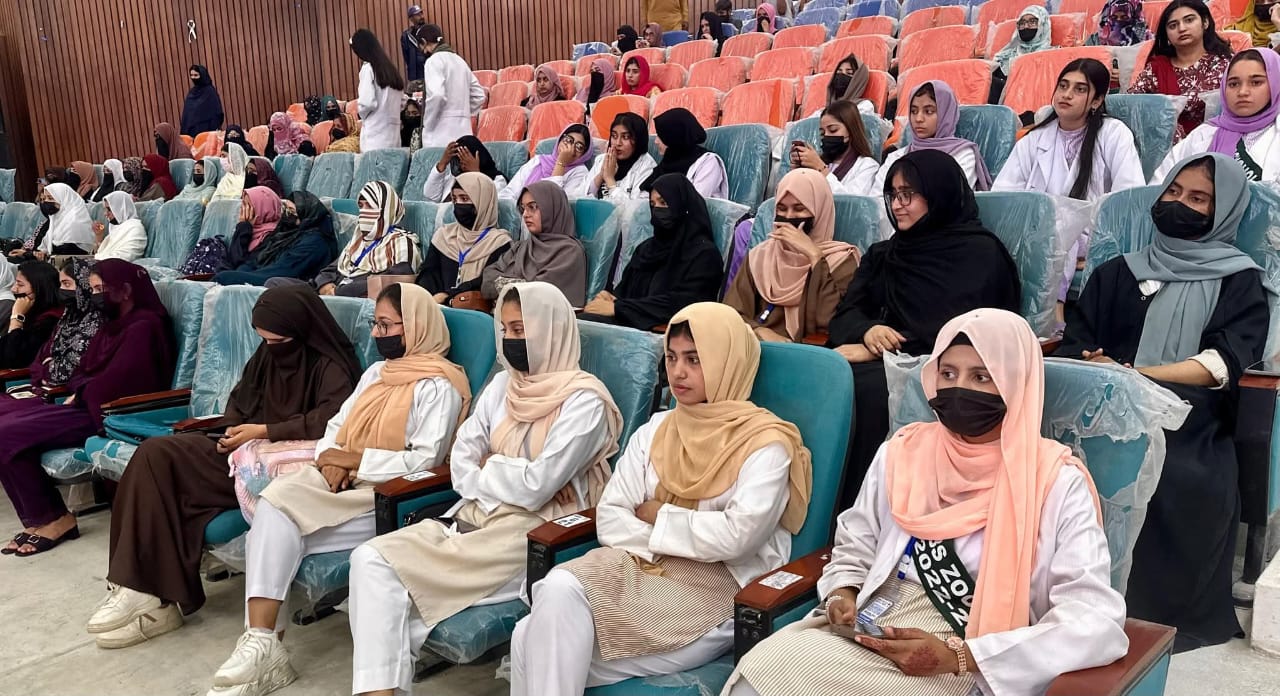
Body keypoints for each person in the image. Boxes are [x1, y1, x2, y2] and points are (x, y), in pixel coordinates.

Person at [727, 308, 1127, 696]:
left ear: (1015, 383)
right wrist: (842, 591)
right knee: (758, 674)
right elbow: (856, 542)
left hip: (969, 652)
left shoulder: (1055, 481)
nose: (958, 389)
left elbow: (1093, 619)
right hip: (871, 622)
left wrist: (962, 656)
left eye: (981, 377)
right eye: (948, 373)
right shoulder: (903, 451)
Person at [510, 301, 812, 695]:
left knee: (530, 638)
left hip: (716, 588)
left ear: (727, 363)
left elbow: (737, 539)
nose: (678, 371)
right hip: (638, 566)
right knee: (554, 598)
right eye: (671, 357)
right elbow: (611, 515)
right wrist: (669, 539)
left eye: (694, 359)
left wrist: (658, 515)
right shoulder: (657, 430)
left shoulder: (765, 445)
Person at [347, 281, 621, 696]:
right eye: (505, 330)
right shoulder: (502, 386)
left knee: (390, 601)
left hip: (535, 531)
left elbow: (536, 489)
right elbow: (462, 463)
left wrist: (490, 464)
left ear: (550, 330)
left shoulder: (586, 402)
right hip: (471, 515)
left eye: (520, 330)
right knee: (369, 559)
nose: (510, 341)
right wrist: (508, 473)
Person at [207, 282, 470, 696]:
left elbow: (425, 460)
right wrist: (332, 458)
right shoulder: (376, 374)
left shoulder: (439, 385)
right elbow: (335, 427)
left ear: (417, 326)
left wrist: (354, 462)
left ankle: (264, 650)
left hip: (387, 494)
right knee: (273, 504)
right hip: (336, 478)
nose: (378, 334)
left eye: (387, 326)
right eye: (376, 324)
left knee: (276, 531)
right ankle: (261, 643)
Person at [1058, 153, 1271, 651]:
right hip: (1101, 405)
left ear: (1222, 213)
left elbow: (1223, 363)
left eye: (1198, 199)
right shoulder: (1117, 272)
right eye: (1173, 192)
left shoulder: (1240, 280)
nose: (1179, 204)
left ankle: (1153, 621)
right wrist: (1097, 368)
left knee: (1180, 476)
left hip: (1190, 415)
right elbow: (1076, 343)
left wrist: (1138, 376)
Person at [86, 285, 360, 648]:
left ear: (301, 331)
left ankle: (153, 597)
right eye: (264, 340)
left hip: (288, 472)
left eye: (279, 341)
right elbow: (241, 402)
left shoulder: (332, 365)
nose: (271, 348)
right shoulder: (268, 354)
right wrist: (232, 432)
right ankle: (138, 589)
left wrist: (265, 430)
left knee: (174, 488)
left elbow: (331, 421)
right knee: (155, 455)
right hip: (247, 457)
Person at [829, 150, 1021, 508]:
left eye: (908, 195)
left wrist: (883, 350)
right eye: (893, 195)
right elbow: (844, 316)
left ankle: (864, 509)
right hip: (883, 360)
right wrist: (868, 331)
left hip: (947, 372)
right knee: (829, 376)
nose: (897, 205)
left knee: (867, 392)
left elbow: (973, 334)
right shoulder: (884, 254)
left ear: (938, 193)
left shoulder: (980, 255)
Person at [0, 260, 176, 558]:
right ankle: (37, 520)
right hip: (84, 403)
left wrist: (82, 389)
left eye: (99, 289)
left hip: (110, 413)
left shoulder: (144, 326)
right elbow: (81, 370)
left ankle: (54, 519)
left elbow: (122, 381)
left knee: (7, 434)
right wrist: (80, 386)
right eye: (92, 289)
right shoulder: (113, 323)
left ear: (125, 290)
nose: (94, 296)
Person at [993, 58, 1144, 296]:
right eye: (1063, 86)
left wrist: (1096, 249)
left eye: (1080, 89)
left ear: (1097, 101)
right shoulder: (1034, 139)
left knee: (1064, 238)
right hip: (1037, 238)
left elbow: (1127, 199)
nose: (1067, 94)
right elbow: (1004, 196)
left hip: (1093, 235)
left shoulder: (1114, 134)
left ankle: (1054, 309)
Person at [726, 168, 860, 342]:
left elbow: (831, 322)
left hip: (808, 352)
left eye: (799, 209)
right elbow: (731, 313)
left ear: (819, 211)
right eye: (782, 209)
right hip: (756, 347)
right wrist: (759, 331)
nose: (789, 217)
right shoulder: (760, 256)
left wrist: (815, 256)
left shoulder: (841, 260)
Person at [581, 174, 723, 329]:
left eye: (664, 202)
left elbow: (686, 303)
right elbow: (624, 292)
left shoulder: (705, 255)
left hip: (667, 333)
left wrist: (619, 308)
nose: (657, 210)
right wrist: (610, 298)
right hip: (630, 323)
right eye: (652, 204)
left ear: (682, 206)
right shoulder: (646, 249)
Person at [1153, 48, 1280, 183]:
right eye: (1233, 84)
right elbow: (1162, 182)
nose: (1242, 92)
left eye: (1256, 82)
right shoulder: (1205, 133)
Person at [1132, 0, 1234, 142]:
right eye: (1173, 25)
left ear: (1205, 22)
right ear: (1166, 34)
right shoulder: (1156, 68)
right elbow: (1131, 105)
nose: (1181, 28)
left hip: (1215, 142)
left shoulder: (1225, 64)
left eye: (1189, 20)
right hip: (1165, 147)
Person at [482, 182, 588, 306]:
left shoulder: (569, 252)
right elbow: (487, 278)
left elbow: (537, 293)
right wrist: (520, 284)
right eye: (523, 208)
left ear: (551, 209)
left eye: (532, 207)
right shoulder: (522, 247)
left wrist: (503, 283)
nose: (525, 215)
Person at [877, 81, 992, 193]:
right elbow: (876, 199)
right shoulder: (897, 157)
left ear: (945, 114)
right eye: (914, 111)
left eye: (928, 111)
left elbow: (952, 199)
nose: (918, 119)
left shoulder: (962, 155)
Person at [312, 181, 421, 298]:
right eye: (361, 206)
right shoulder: (359, 241)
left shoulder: (401, 243)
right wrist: (324, 285)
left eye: (370, 206)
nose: (363, 211)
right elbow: (330, 270)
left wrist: (340, 292)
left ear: (386, 210)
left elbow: (394, 283)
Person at [417, 173, 513, 304]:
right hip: (436, 306)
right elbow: (429, 274)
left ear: (482, 202)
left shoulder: (500, 242)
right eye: (455, 199)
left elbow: (487, 281)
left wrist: (448, 296)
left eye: (464, 198)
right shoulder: (444, 235)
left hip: (474, 309)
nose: (458, 205)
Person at [216, 191, 338, 287]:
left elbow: (283, 270)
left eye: (291, 211)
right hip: (268, 275)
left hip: (283, 283)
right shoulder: (286, 233)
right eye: (285, 209)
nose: (287, 214)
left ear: (305, 215)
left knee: (224, 278)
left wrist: (238, 276)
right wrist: (242, 271)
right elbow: (256, 260)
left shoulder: (314, 243)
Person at [416, 23, 486, 148]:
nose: (422, 51)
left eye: (420, 47)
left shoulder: (433, 61)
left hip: (439, 134)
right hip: (464, 132)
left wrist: (428, 124)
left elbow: (437, 95)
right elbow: (479, 96)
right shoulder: (460, 61)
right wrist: (462, 113)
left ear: (424, 42)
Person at [789, 100, 879, 196]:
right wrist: (798, 172)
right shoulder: (820, 163)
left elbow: (852, 201)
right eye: (822, 133)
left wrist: (821, 168)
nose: (827, 136)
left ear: (851, 130)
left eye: (833, 130)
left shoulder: (867, 165)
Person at [641, 108, 728, 199]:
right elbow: (643, 196)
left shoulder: (708, 163)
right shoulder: (667, 163)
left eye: (661, 136)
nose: (656, 141)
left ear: (675, 136)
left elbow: (695, 201)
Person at [500, 124, 597, 200]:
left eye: (579, 147)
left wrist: (561, 162)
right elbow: (510, 192)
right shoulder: (538, 160)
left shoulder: (580, 172)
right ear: (560, 139)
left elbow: (554, 200)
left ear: (584, 154)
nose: (571, 148)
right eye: (568, 140)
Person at [351, 28, 408, 152]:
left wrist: (361, 115)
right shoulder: (391, 70)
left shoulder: (368, 69)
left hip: (375, 139)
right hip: (393, 138)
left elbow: (367, 103)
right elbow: (403, 102)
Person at [580, 113, 657, 201]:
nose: (618, 143)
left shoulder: (647, 167)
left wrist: (610, 181)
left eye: (625, 137)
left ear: (638, 139)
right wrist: (601, 175)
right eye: (614, 136)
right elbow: (580, 197)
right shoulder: (602, 159)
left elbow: (638, 207)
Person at [0, 261, 60, 368]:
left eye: (20, 284)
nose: (13, 289)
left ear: (40, 288)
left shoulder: (50, 320)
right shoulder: (30, 312)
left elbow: (13, 358)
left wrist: (16, 318)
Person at [990, 6, 1053, 102]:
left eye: (1032, 22)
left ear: (1043, 25)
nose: (1026, 26)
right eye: (1022, 23)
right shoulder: (1004, 58)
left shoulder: (1052, 56)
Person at [423, 136, 509, 202]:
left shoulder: (497, 180)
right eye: (458, 160)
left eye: (465, 159)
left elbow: (489, 206)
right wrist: (442, 163)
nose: (462, 166)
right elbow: (430, 195)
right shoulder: (454, 178)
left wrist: (476, 174)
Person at [224, 187, 284, 273]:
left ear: (263, 210)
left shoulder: (273, 237)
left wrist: (243, 228)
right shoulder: (250, 229)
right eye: (243, 205)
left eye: (248, 206)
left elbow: (238, 263)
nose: (243, 210)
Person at [34, 183, 95, 257]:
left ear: (64, 198)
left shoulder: (76, 222)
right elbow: (45, 248)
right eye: (43, 199)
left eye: (50, 198)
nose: (46, 202)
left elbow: (68, 252)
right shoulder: (56, 220)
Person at [93, 192, 148, 262]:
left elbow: (126, 257)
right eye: (105, 209)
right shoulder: (117, 228)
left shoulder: (135, 228)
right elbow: (101, 253)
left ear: (122, 208)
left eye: (109, 209)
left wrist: (95, 259)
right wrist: (99, 236)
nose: (105, 214)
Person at [181, 64, 224, 137]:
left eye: (196, 75)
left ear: (202, 75)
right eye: (191, 75)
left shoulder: (210, 92)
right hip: (192, 133)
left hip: (207, 131)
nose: (193, 78)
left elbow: (217, 112)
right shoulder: (192, 92)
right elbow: (187, 115)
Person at [1086, 0, 1154, 45]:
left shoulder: (1146, 38)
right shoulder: (1095, 40)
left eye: (1124, 17)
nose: (1118, 21)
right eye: (1114, 17)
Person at [401, 5, 428, 83]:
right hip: (415, 74)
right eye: (417, 15)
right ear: (411, 18)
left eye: (421, 13)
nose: (421, 16)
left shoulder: (430, 30)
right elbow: (406, 56)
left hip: (428, 70)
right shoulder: (406, 36)